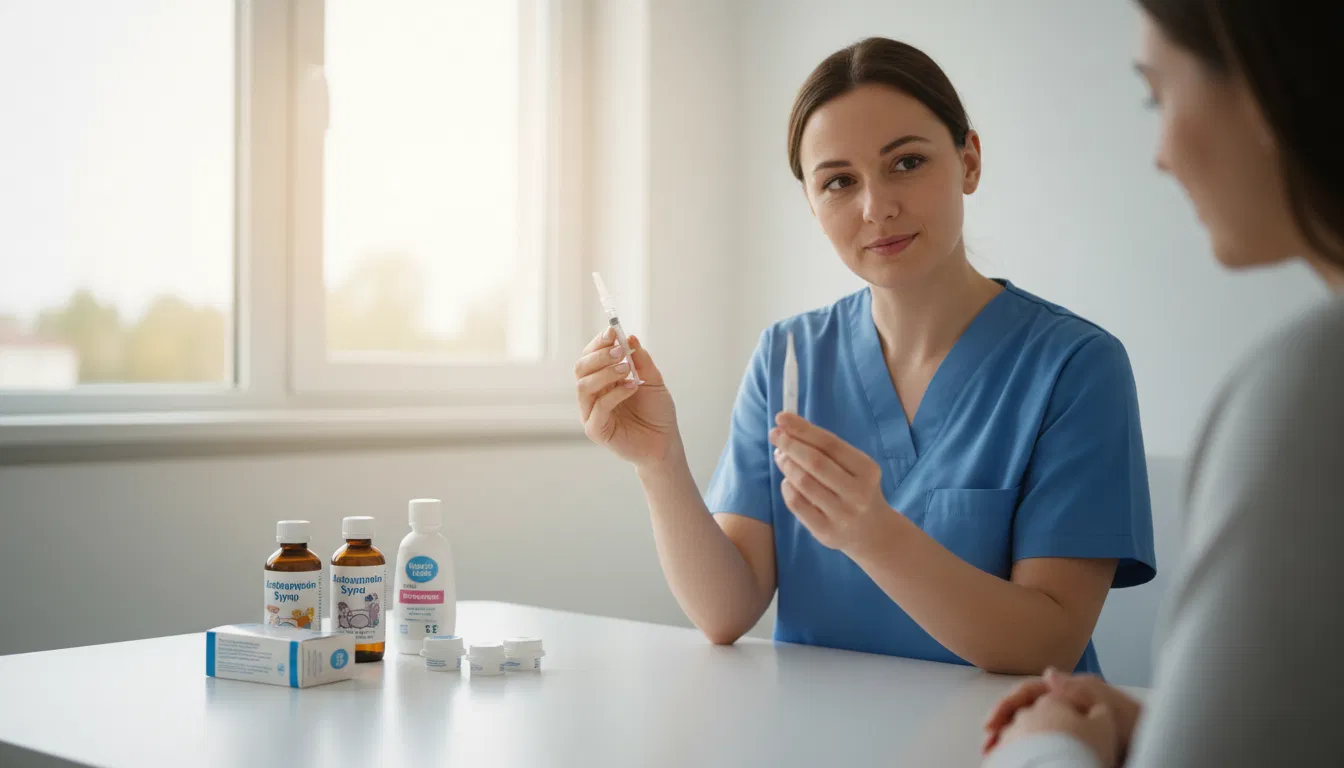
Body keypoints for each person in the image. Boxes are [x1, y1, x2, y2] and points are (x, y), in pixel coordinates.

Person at [574, 37, 1156, 676]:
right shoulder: (787, 357)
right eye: (839, 182)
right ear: (812, 204)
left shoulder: (1075, 366)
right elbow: (726, 610)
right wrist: (660, 462)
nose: (877, 207)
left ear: (969, 161)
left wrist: (873, 535)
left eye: (906, 163)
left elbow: (1047, 644)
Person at [982, 1, 1344, 765]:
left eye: (1158, 95)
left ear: (1265, 88)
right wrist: (1166, 729)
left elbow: (1048, 633)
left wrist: (1043, 747)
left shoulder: (1308, 396)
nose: (1161, 154)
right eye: (835, 180)